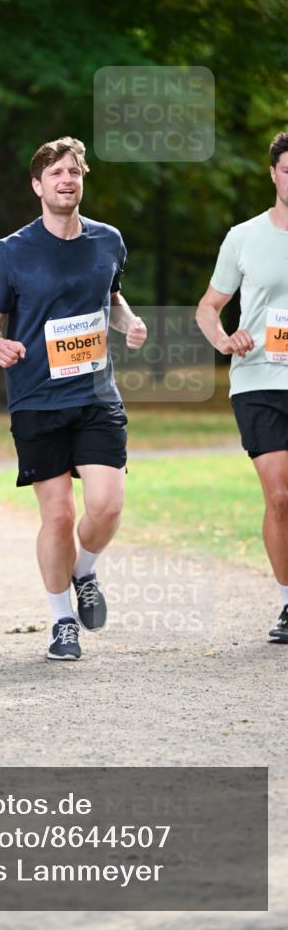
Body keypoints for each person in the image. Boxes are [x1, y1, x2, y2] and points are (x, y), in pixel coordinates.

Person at [0, 136, 147, 662]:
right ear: (38, 185)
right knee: (56, 517)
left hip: (96, 393)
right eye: (55, 174)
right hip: (36, 398)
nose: (66, 180)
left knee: (106, 505)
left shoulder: (108, 241)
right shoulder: (11, 251)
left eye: (73, 172)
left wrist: (130, 322)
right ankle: (61, 622)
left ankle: (85, 569)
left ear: (82, 179)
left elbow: (112, 299)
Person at [196, 131, 288, 644]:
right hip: (258, 380)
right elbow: (208, 307)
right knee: (279, 497)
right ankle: (287, 603)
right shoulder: (244, 236)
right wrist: (226, 339)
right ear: (273, 174)